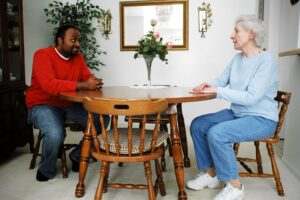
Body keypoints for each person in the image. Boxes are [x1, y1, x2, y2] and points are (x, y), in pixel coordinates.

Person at [186, 15, 279, 200]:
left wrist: (218, 90)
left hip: (261, 118)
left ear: (251, 34)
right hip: (237, 113)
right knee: (198, 124)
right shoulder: (237, 59)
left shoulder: (265, 61)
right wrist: (207, 84)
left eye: (236, 31)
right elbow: (221, 80)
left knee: (218, 133)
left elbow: (252, 97)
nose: (231, 35)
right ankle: (211, 175)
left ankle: (235, 186)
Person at [26, 25, 110, 182]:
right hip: (42, 104)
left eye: (78, 40)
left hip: (68, 104)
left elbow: (87, 78)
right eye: (73, 40)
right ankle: (46, 169)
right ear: (60, 40)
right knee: (55, 133)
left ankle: (78, 156)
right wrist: (84, 85)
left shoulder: (78, 58)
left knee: (103, 119)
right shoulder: (42, 55)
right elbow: (49, 85)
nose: (77, 44)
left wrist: (94, 82)